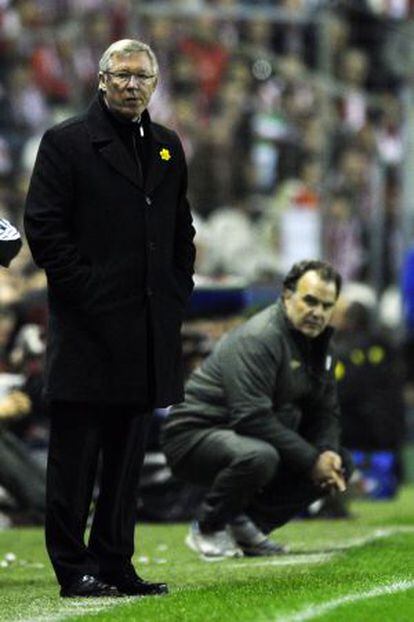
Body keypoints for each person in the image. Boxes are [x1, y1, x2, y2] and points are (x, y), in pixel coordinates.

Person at [24, 39, 195, 597]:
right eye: (120, 75)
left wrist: (174, 292)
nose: (130, 85)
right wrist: (90, 293)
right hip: (88, 330)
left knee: (126, 460)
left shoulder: (167, 148)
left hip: (146, 329)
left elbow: (180, 235)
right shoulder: (66, 143)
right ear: (100, 80)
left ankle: (116, 562)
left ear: (155, 84)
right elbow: (44, 230)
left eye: (142, 77)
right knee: (75, 460)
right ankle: (74, 569)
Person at [161, 259, 352, 559]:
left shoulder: (320, 346)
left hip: (247, 435)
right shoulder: (260, 338)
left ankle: (247, 524)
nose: (318, 312)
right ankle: (208, 527)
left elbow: (325, 410)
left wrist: (326, 451)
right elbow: (250, 416)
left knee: (340, 462)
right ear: (287, 296)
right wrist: (311, 459)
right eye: (310, 301)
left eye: (327, 306)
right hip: (194, 435)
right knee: (260, 456)